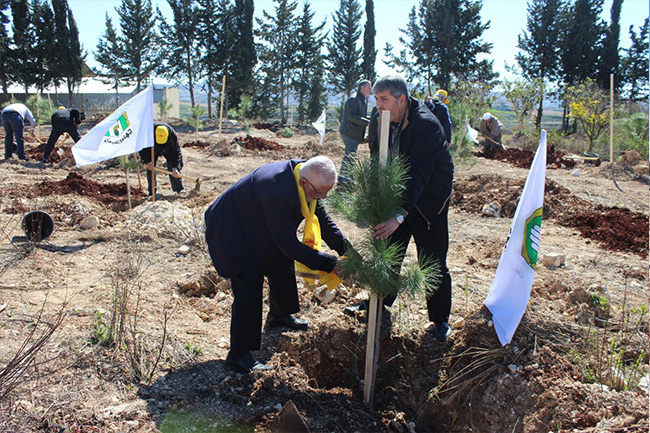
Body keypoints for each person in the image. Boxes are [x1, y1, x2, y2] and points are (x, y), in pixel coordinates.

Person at [204, 156, 348, 373]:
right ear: (303, 183)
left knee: (280, 263)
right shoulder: (276, 189)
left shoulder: (306, 175)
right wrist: (330, 264)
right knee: (249, 284)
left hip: (257, 224)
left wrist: (349, 252)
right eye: (320, 193)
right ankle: (239, 355)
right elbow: (287, 243)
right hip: (232, 231)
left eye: (326, 192)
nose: (323, 197)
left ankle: (279, 314)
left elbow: (324, 221)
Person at [345, 74, 455, 342]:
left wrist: (399, 214)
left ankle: (439, 321)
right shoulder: (379, 118)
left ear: (402, 99)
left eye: (384, 99)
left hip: (430, 200)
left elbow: (419, 174)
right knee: (389, 252)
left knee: (433, 260)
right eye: (376, 99)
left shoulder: (426, 125)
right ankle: (379, 305)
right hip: (397, 197)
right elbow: (375, 158)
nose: (378, 105)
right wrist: (375, 202)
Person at [139, 122, 184, 196]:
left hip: (168, 148)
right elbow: (143, 149)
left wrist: (175, 167)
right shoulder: (148, 134)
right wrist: (147, 161)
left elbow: (176, 153)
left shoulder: (172, 136)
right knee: (151, 168)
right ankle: (152, 192)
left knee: (173, 168)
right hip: (152, 149)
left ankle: (179, 189)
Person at [339, 80, 372, 179]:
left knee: (351, 156)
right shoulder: (353, 100)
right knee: (349, 156)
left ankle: (347, 178)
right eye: (369, 87)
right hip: (349, 132)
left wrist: (371, 119)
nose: (371, 90)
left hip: (353, 133)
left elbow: (360, 116)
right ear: (362, 88)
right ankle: (344, 180)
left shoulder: (360, 100)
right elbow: (351, 117)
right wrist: (368, 122)